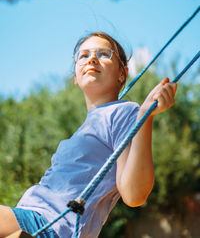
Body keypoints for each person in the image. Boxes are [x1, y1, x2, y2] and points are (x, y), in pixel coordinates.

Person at [0, 31, 177, 238]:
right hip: (29, 218)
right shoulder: (86, 127)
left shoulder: (124, 112)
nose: (92, 58)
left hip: (49, 225)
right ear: (76, 76)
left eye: (103, 54)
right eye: (83, 56)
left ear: (122, 73)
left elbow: (134, 194)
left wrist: (144, 118)